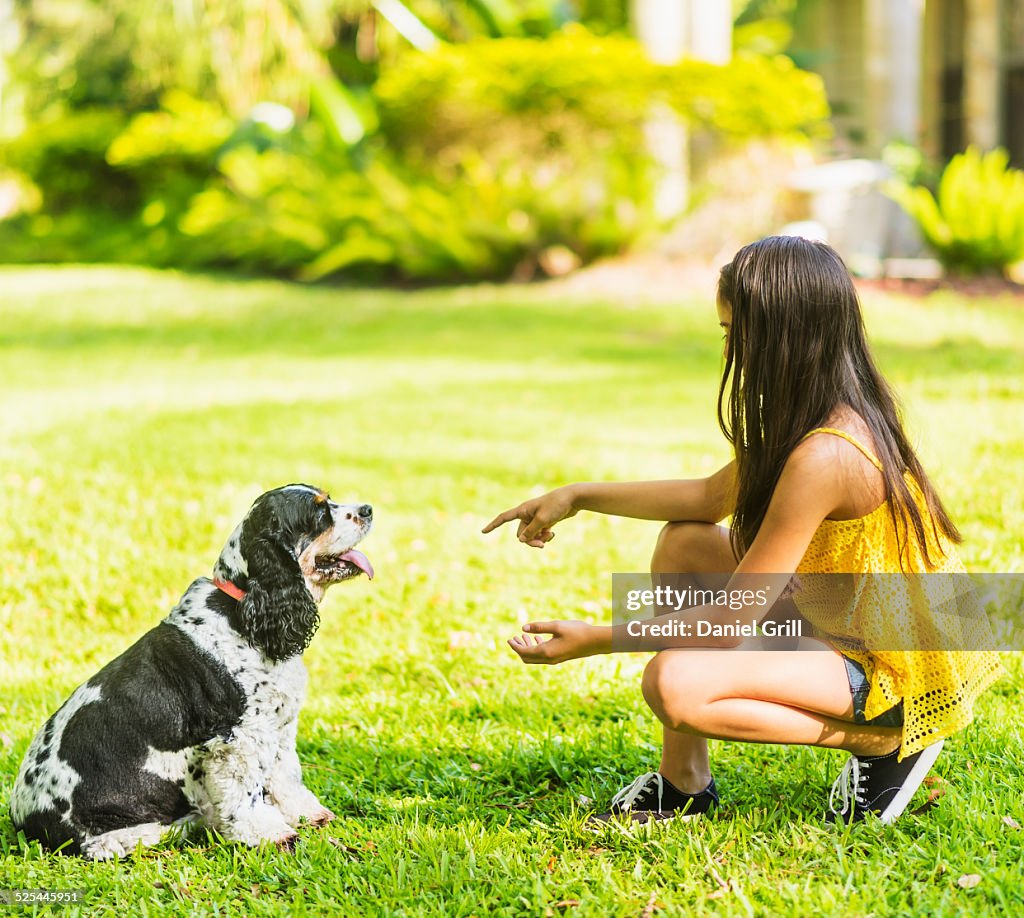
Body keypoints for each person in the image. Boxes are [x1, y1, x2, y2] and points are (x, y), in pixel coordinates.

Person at [482, 235, 1002, 825]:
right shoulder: (811, 412)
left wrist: (595, 638)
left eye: (733, 335)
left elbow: (734, 617)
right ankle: (685, 788)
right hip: (846, 614)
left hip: (897, 665)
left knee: (675, 684)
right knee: (684, 540)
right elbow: (707, 498)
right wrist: (577, 496)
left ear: (780, 339)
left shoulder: (828, 453)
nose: (727, 350)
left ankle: (881, 744)